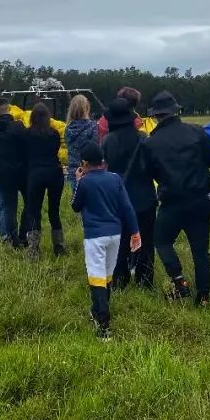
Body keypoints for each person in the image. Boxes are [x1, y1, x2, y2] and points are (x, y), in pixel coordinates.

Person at [142, 90, 210, 306]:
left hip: (171, 203)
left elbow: (148, 173)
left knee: (161, 240)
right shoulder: (197, 132)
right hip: (200, 199)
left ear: (156, 115)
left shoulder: (150, 143)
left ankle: (179, 282)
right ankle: (204, 296)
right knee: (200, 250)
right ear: (176, 111)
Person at [71, 141, 141, 340]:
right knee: (108, 275)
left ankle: (103, 325)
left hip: (95, 235)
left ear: (84, 163)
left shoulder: (85, 182)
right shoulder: (115, 178)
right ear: (102, 160)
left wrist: (78, 181)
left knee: (96, 277)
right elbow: (127, 207)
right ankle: (97, 310)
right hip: (115, 234)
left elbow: (76, 206)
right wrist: (135, 232)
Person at [101, 97, 157, 289]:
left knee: (119, 242)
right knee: (147, 241)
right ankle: (145, 279)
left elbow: (103, 170)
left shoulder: (107, 141)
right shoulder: (143, 138)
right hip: (145, 197)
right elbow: (153, 167)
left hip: (118, 198)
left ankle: (119, 279)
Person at [21, 102, 67, 259]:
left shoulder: (26, 134)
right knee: (54, 211)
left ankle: (33, 249)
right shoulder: (54, 134)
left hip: (35, 173)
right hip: (54, 172)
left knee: (34, 211)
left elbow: (24, 155)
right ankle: (59, 246)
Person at [0, 97, 28, 247]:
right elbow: (26, 145)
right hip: (21, 172)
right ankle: (24, 235)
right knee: (29, 205)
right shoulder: (18, 126)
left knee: (9, 207)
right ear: (9, 108)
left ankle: (12, 238)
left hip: (2, 172)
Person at [65, 95, 99, 198]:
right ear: (86, 108)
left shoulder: (68, 129)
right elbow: (95, 147)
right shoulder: (92, 126)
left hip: (73, 171)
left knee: (76, 200)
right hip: (89, 169)